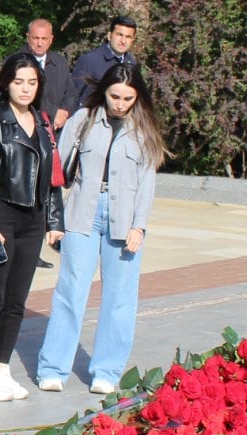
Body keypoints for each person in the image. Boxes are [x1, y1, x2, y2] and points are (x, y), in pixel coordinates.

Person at [35, 63, 166, 395]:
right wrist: (54, 220)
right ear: (104, 92)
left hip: (124, 219)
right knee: (71, 291)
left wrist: (140, 226)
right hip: (82, 212)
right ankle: (53, 367)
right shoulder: (83, 119)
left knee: (120, 298)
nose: (120, 103)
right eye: (114, 96)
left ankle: (106, 370)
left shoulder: (144, 128)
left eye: (127, 98)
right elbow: (56, 172)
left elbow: (147, 183)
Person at [0, 52, 65, 402]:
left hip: (33, 218)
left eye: (31, 82)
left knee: (17, 299)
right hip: (2, 214)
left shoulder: (42, 121)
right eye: (18, 81)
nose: (25, 88)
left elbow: (53, 174)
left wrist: (55, 221)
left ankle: (1, 365)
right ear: (6, 83)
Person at [67, 15, 138, 112]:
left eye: (128, 37)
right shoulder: (90, 60)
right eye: (119, 35)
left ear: (133, 40)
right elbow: (72, 95)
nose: (123, 41)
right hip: (90, 119)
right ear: (109, 35)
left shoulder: (131, 63)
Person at [20, 19, 76, 130]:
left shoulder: (60, 62)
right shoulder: (17, 62)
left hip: (57, 127)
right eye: (36, 38)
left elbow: (70, 93)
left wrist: (64, 113)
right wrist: (53, 112)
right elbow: (25, 95)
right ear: (28, 37)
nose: (40, 43)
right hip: (29, 126)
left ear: (51, 39)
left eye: (44, 39)